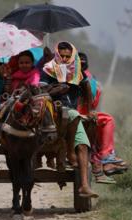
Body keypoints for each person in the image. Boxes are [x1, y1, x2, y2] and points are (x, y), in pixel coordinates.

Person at [43, 41, 98, 198]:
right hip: (51, 113)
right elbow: (41, 89)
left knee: (82, 145)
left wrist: (91, 109)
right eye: (62, 56)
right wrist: (57, 89)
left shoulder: (77, 71)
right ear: (57, 55)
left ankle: (85, 186)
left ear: (72, 55)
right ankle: (68, 153)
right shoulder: (48, 69)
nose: (65, 59)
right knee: (72, 115)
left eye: (68, 56)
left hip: (72, 113)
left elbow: (86, 87)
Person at [77, 52, 128, 184]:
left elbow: (94, 102)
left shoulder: (90, 79)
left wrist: (91, 110)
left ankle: (105, 157)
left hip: (87, 112)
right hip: (73, 112)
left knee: (106, 119)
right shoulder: (66, 75)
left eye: (83, 60)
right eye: (78, 59)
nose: (81, 62)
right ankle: (101, 159)